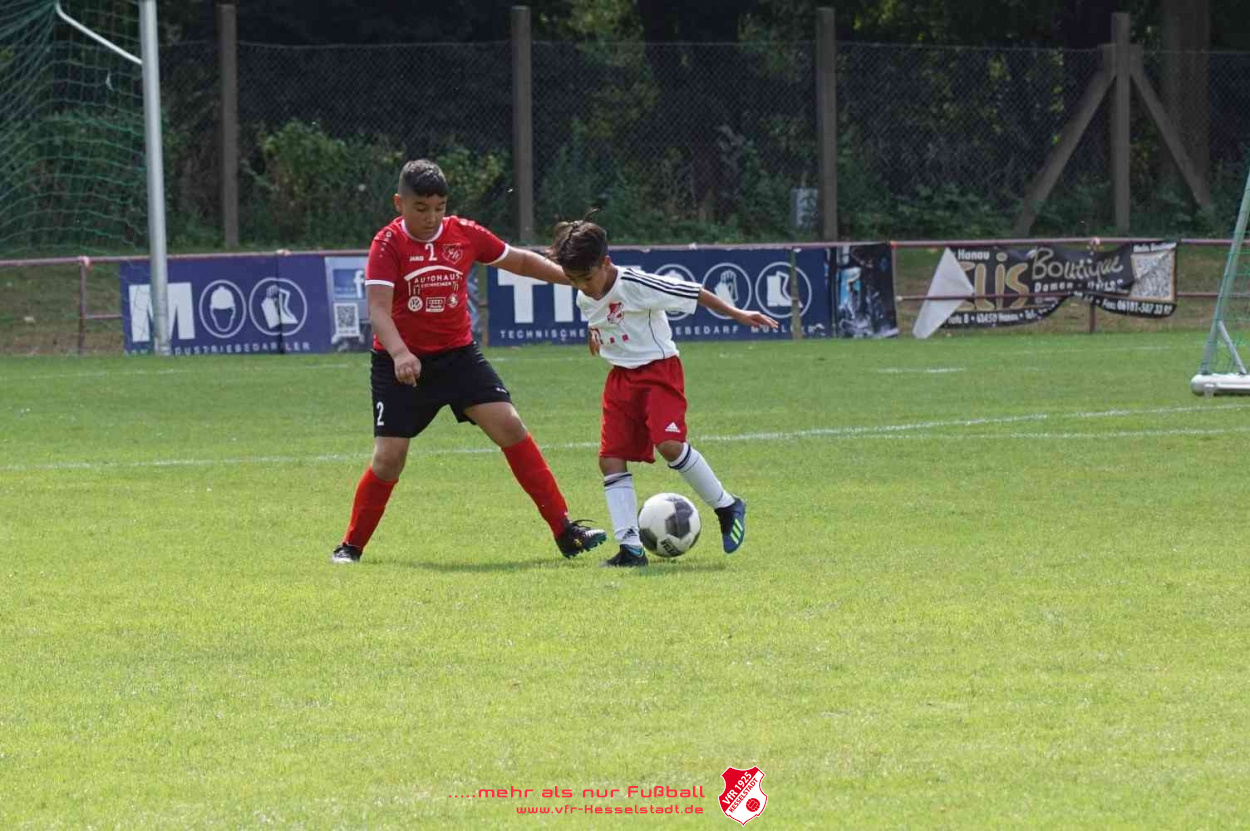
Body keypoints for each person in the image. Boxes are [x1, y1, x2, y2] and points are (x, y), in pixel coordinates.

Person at [331, 160, 607, 564]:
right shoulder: (387, 244)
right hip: (401, 365)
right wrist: (401, 352)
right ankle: (350, 546)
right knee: (389, 460)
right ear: (399, 203)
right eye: (421, 208)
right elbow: (378, 310)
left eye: (439, 207)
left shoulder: (464, 234)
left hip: (458, 357)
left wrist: (572, 278)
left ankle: (566, 531)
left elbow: (520, 261)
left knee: (510, 426)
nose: (431, 217)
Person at [547, 215, 779, 567]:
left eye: (587, 278)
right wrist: (595, 336)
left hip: (658, 372)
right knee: (610, 459)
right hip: (620, 379)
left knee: (669, 444)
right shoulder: (585, 296)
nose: (583, 287)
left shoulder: (635, 283)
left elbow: (693, 292)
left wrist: (737, 313)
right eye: (574, 280)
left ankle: (727, 506)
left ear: (605, 263)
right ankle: (631, 549)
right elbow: (600, 318)